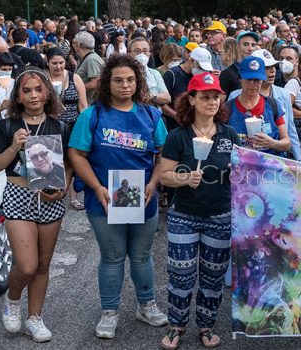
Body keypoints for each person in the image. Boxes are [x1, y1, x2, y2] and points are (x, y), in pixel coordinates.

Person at [68, 54, 169, 339]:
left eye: (130, 80)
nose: (125, 85)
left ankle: (146, 304)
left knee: (141, 256)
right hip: (104, 200)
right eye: (118, 80)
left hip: (143, 198)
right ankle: (109, 311)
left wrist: (153, 182)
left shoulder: (150, 114)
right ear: (107, 83)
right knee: (112, 257)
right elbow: (76, 154)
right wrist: (97, 187)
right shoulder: (93, 115)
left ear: (138, 82)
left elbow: (164, 153)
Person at [0, 68, 70, 343]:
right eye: (27, 90)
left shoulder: (59, 127)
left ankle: (35, 317)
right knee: (27, 265)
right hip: (18, 197)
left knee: (43, 265)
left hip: (49, 200)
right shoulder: (6, 126)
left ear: (47, 93)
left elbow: (68, 166)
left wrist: (62, 188)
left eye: (38, 89)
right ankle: (12, 299)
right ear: (18, 96)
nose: (33, 95)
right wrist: (13, 147)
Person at [158, 73, 239, 349]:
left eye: (216, 96)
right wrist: (184, 178)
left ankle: (206, 325)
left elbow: (241, 175)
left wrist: (237, 172)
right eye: (205, 96)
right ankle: (176, 325)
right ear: (191, 100)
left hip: (220, 214)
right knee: (181, 275)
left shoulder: (229, 134)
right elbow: (164, 176)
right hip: (184, 214)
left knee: (213, 276)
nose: (212, 101)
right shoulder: (177, 136)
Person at [228, 49, 301, 160]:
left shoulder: (273, 105)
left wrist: (272, 143)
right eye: (249, 80)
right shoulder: (228, 108)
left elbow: (287, 141)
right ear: (240, 80)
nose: (253, 84)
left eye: (257, 80)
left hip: (270, 171)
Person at [44, 47, 88, 210]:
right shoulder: (42, 78)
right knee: (52, 161)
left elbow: (83, 105)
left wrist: (85, 127)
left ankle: (70, 197)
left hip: (72, 126)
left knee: (70, 162)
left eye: (61, 62)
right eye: (54, 63)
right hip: (49, 125)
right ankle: (50, 194)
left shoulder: (73, 77)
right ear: (47, 62)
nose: (58, 66)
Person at [129, 37, 172, 107]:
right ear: (130, 54)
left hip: (154, 114)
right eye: (137, 51)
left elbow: (167, 98)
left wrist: (152, 96)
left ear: (149, 54)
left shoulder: (154, 73)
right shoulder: (125, 74)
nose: (141, 54)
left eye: (145, 51)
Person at [219, 31, 259, 97]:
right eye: (245, 44)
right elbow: (222, 103)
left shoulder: (258, 70)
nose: (250, 48)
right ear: (238, 47)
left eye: (253, 45)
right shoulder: (227, 74)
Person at [73, 31, 104, 104]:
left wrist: (75, 88)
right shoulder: (86, 58)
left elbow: (95, 84)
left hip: (92, 104)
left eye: (74, 43)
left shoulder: (91, 59)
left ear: (78, 45)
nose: (73, 45)